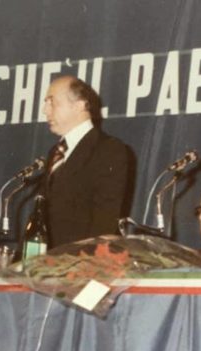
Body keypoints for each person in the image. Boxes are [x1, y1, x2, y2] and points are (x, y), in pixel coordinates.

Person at [41, 75, 131, 247]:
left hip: (77, 264)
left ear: (80, 105)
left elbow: (104, 222)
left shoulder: (108, 149)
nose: (45, 110)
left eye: (52, 102)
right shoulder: (56, 152)